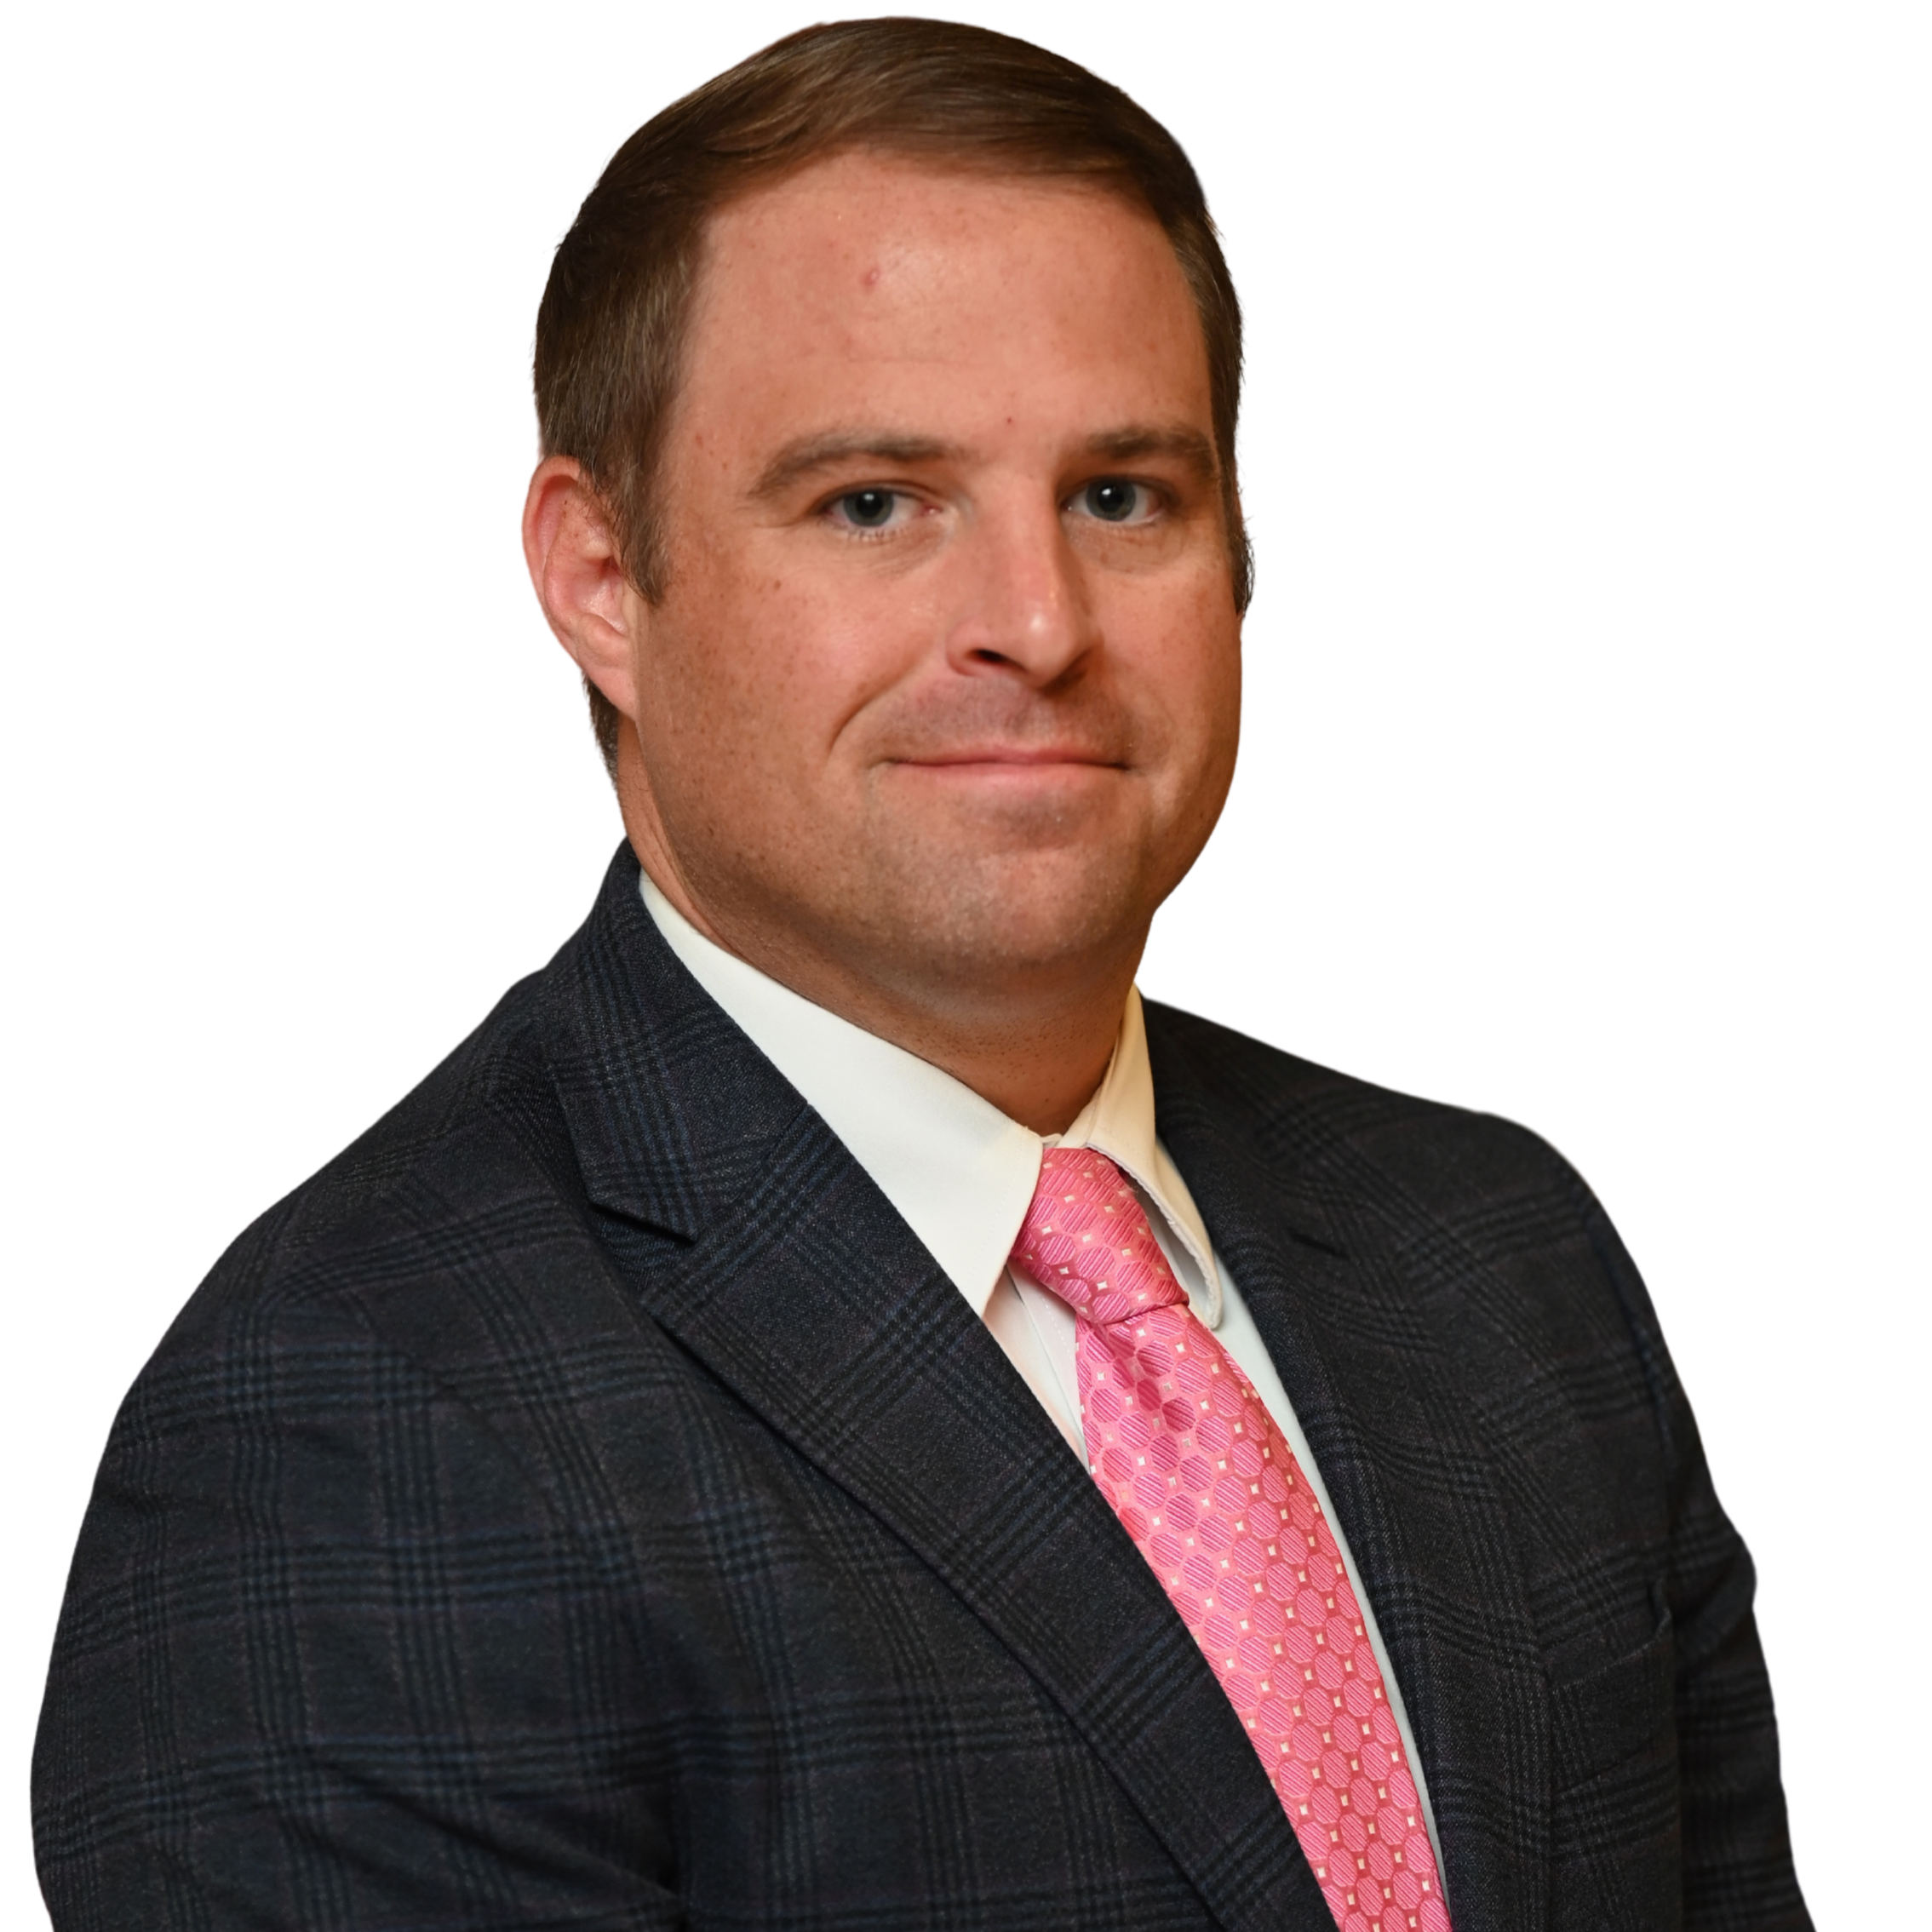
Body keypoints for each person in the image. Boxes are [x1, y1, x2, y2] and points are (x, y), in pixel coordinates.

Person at [30, 20, 1808, 1930]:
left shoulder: (1503, 1249)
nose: (1036, 626)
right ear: (601, 580)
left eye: (1123, 496)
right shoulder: (351, 1427)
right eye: (875, 503)